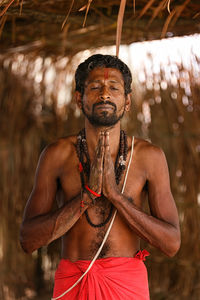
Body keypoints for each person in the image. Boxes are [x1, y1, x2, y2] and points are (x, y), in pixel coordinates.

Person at [20, 54, 181, 300]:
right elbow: (28, 240)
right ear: (79, 99)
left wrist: (115, 196)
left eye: (113, 88)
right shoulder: (57, 155)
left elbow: (171, 244)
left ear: (127, 102)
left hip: (127, 285)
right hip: (74, 283)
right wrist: (87, 196)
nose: (104, 94)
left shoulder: (150, 157)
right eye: (95, 87)